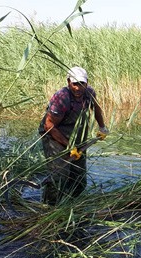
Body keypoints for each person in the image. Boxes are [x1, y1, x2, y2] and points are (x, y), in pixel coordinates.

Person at [38, 66, 109, 205]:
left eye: (82, 83)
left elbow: (96, 109)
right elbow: (49, 125)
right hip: (54, 136)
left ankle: (72, 204)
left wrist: (102, 127)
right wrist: (69, 147)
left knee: (78, 175)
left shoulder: (89, 93)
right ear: (68, 82)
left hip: (76, 136)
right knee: (59, 175)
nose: (78, 88)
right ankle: (49, 207)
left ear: (87, 83)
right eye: (75, 84)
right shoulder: (62, 98)